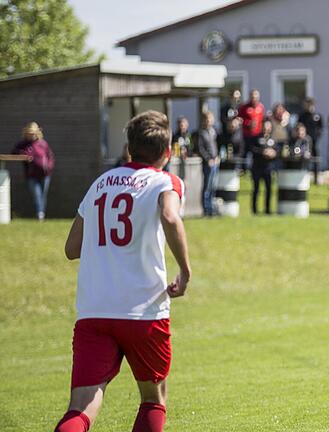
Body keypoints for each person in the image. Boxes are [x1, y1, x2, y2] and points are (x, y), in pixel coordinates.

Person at [56, 110, 191, 432]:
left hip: (94, 311)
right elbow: (170, 217)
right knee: (153, 400)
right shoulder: (165, 181)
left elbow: (71, 249)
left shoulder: (100, 183)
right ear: (167, 152)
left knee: (82, 406)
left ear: (129, 149)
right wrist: (185, 271)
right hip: (143, 312)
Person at [12, 122, 55, 220]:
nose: (31, 135)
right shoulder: (23, 144)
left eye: (33, 133)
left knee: (43, 195)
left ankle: (41, 214)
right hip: (32, 175)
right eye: (29, 133)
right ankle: (40, 214)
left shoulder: (43, 144)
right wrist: (24, 155)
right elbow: (14, 151)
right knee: (37, 195)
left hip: (45, 174)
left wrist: (49, 167)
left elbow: (50, 156)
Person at [249, 121, 278, 214]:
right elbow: (252, 149)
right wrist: (263, 152)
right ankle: (254, 210)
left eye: (268, 127)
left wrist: (273, 153)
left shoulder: (272, 139)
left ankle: (267, 210)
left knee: (269, 189)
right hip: (257, 167)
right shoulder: (256, 138)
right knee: (256, 189)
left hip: (268, 168)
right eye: (264, 126)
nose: (266, 128)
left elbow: (277, 151)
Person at [196, 112, 219, 216]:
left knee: (213, 186)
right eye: (207, 119)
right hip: (208, 163)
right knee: (207, 186)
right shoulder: (202, 133)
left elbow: (215, 146)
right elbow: (201, 148)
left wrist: (217, 157)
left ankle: (211, 208)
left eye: (210, 119)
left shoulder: (213, 131)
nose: (209, 121)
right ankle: (206, 209)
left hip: (215, 162)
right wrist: (208, 159)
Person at [297, 97, 323, 182]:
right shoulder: (302, 116)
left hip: (315, 141)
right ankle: (304, 176)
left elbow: (320, 128)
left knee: (315, 158)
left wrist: (317, 136)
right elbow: (299, 126)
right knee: (305, 157)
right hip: (305, 142)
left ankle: (316, 177)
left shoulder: (317, 116)